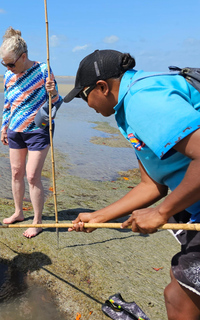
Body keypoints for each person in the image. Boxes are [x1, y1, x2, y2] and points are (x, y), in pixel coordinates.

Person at [64, 49, 200, 320]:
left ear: (102, 87)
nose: (86, 103)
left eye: (83, 95)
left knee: (178, 297)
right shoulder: (129, 106)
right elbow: (151, 185)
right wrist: (99, 217)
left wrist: (161, 212)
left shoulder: (143, 101)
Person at [0, 27, 62, 238]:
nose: (8, 67)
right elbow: (7, 105)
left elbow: (56, 103)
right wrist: (4, 127)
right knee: (16, 173)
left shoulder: (44, 70)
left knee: (32, 175)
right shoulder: (8, 76)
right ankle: (18, 212)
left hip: (38, 130)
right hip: (15, 130)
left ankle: (37, 221)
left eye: (11, 63)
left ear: (23, 57)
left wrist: (53, 93)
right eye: (4, 64)